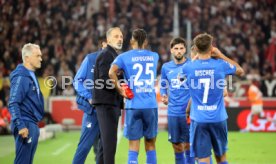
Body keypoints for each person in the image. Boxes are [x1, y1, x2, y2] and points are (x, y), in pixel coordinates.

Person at [182, 33, 244, 164]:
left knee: (203, 158)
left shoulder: (188, 67)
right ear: (212, 48)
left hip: (199, 119)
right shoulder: (221, 65)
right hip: (218, 118)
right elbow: (240, 71)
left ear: (196, 49)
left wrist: (195, 60)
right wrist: (221, 55)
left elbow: (180, 78)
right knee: (221, 157)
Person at [109, 28, 159, 164]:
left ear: (131, 41)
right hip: (150, 105)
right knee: (150, 144)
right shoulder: (154, 56)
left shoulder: (123, 57)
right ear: (146, 41)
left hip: (133, 105)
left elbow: (111, 72)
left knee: (133, 145)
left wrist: (119, 89)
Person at [160, 37, 195, 164]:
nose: (179, 51)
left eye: (181, 48)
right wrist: (164, 95)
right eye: (176, 48)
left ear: (185, 49)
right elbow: (163, 85)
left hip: (189, 112)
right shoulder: (166, 67)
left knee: (188, 145)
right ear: (171, 50)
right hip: (173, 112)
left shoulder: (191, 65)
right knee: (176, 145)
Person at [72, 38, 107, 164]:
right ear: (103, 44)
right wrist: (89, 97)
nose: (119, 41)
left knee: (104, 150)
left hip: (108, 112)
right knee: (84, 146)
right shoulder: (91, 59)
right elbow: (77, 81)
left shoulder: (117, 61)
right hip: (92, 111)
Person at [8, 43, 44, 164]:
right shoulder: (21, 76)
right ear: (27, 57)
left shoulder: (30, 75)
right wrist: (21, 125)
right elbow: (13, 102)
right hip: (25, 123)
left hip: (31, 123)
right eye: (37, 56)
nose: (41, 59)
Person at [92, 27, 124, 164]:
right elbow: (102, 80)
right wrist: (120, 87)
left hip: (109, 104)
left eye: (121, 36)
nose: (120, 39)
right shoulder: (106, 55)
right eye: (116, 36)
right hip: (107, 105)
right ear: (108, 39)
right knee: (109, 146)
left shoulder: (113, 55)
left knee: (104, 147)